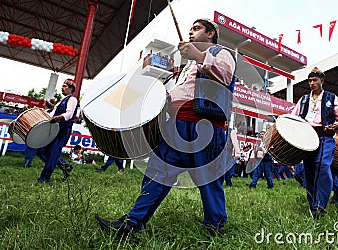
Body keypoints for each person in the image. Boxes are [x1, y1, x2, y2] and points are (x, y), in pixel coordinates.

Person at [95, 18, 236, 237]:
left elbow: (226, 75)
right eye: (190, 28)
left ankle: (215, 228)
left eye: (196, 28)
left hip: (205, 127)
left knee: (209, 180)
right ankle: (132, 223)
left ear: (210, 34)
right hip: (176, 126)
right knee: (157, 173)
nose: (190, 31)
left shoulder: (221, 52)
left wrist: (199, 56)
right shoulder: (188, 64)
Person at [291, 67, 338, 218]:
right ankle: (313, 205)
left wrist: (336, 126)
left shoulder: (331, 98)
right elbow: (293, 117)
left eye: (315, 80)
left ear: (322, 81)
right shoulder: (303, 100)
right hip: (307, 138)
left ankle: (321, 205)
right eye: (309, 81)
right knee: (308, 171)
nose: (312, 83)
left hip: (325, 137)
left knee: (322, 166)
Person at [37, 79, 78, 183]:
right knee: (42, 151)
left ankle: (45, 177)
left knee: (52, 152)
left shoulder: (72, 100)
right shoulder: (61, 101)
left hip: (63, 130)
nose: (62, 87)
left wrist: (58, 118)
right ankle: (64, 165)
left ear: (71, 88)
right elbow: (52, 115)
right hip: (55, 128)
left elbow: (68, 115)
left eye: (65, 86)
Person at [223, 121, 241, 187]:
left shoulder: (231, 131)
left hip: (228, 153)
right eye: (224, 123)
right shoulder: (219, 130)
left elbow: (235, 143)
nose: (224, 125)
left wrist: (237, 154)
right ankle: (227, 183)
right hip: (219, 153)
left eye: (226, 123)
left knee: (226, 169)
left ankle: (228, 183)